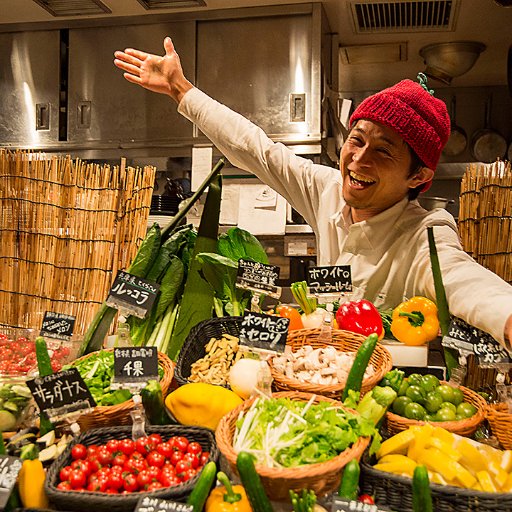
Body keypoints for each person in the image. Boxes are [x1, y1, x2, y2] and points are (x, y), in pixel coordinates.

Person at [113, 36, 512, 350]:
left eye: (384, 150)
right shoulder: (328, 189)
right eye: (356, 140)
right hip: (319, 373)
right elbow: (258, 150)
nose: (358, 159)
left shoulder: (427, 232)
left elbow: (465, 279)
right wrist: (182, 90)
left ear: (418, 176)